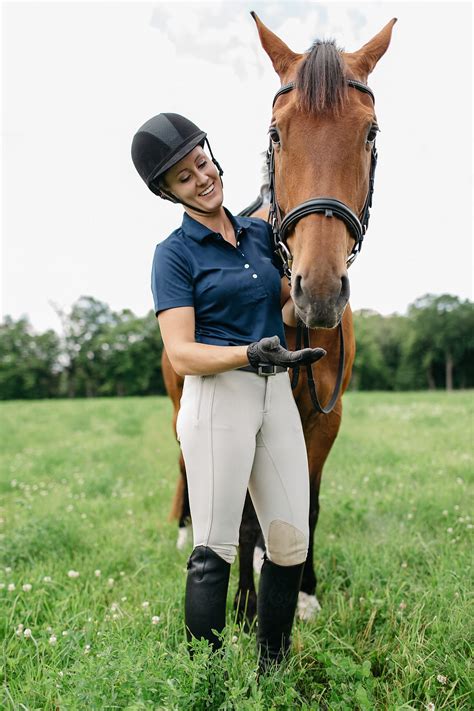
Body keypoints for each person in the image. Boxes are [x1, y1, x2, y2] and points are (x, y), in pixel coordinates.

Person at [131, 113, 326, 673]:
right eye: (183, 178)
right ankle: (207, 676)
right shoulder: (173, 254)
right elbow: (181, 353)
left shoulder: (261, 235)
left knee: (290, 543)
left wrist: (313, 303)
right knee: (214, 545)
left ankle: (272, 667)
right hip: (217, 400)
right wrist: (247, 353)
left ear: (212, 155)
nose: (201, 177)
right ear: (168, 193)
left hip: (275, 396)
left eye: (201, 161)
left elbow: (281, 308)